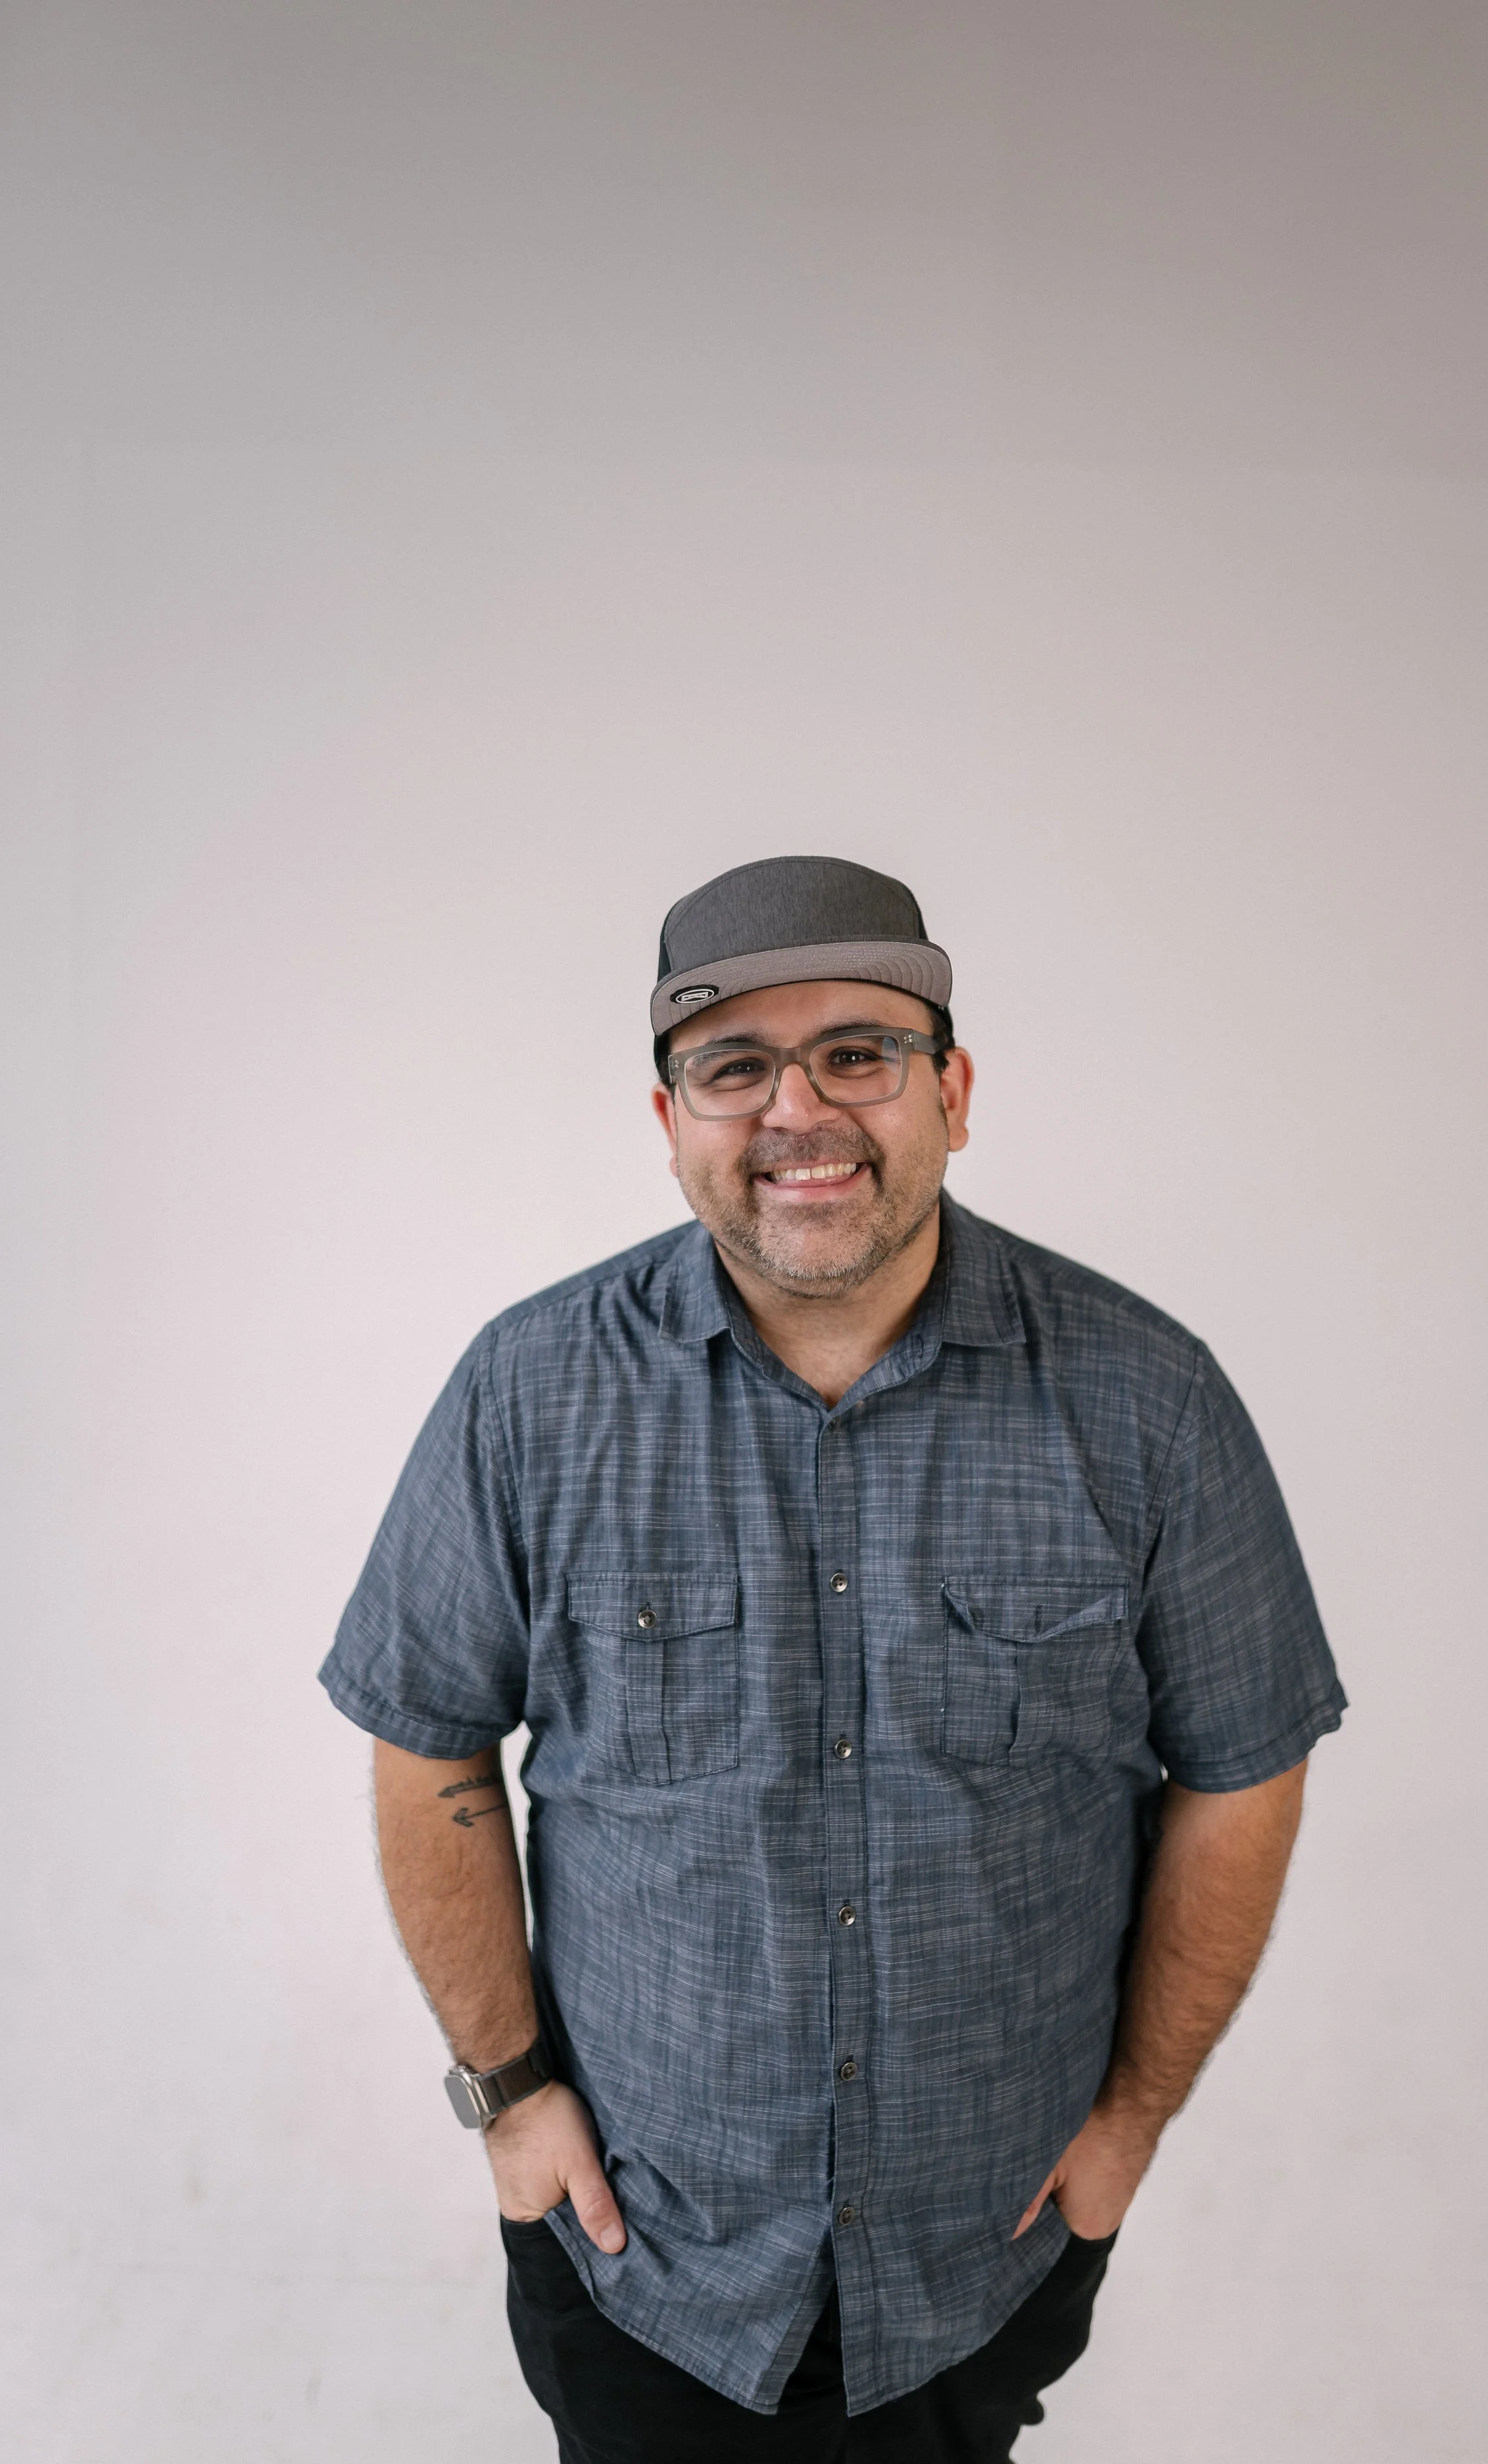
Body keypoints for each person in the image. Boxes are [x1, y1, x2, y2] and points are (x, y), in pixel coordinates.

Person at [320, 855, 1345, 2463]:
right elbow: (426, 1743)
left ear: (951, 1088)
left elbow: (1243, 1763)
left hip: (980, 2259)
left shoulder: (1146, 1402)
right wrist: (512, 2096)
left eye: (858, 1051)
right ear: (670, 1122)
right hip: (640, 2259)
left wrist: (1132, 2116)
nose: (798, 1108)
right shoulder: (528, 1396)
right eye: (734, 1065)